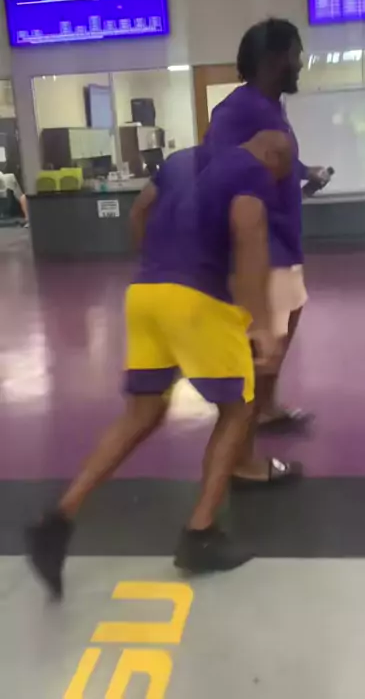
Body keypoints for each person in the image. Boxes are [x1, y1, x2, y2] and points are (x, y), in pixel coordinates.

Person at [26, 130, 293, 598]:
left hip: (145, 293)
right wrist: (264, 323)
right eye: (281, 175)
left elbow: (139, 211)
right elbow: (249, 233)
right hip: (196, 299)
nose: (277, 184)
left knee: (142, 413)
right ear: (272, 154)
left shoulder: (182, 160)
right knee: (240, 408)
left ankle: (59, 519)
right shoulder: (252, 172)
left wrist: (157, 265)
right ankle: (200, 534)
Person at [204, 18, 331, 484]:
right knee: (258, 356)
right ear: (274, 59)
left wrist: (304, 172)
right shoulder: (235, 111)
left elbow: (274, 157)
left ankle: (269, 409)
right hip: (262, 252)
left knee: (278, 344)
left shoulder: (271, 107)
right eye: (296, 54)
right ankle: (242, 461)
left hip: (285, 245)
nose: (301, 63)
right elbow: (220, 173)